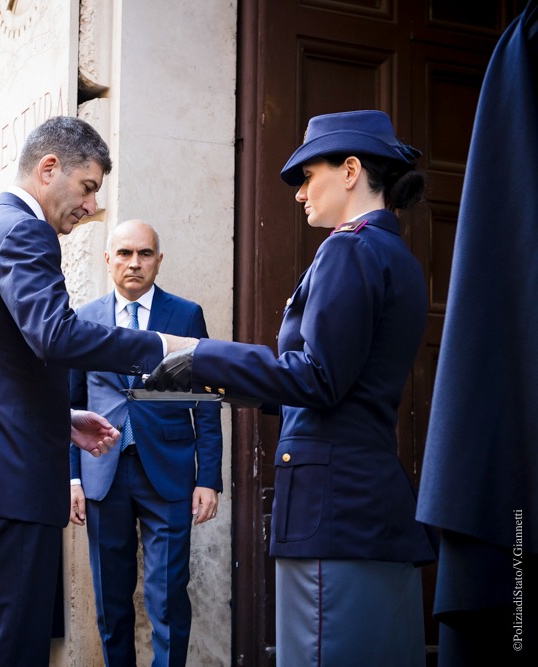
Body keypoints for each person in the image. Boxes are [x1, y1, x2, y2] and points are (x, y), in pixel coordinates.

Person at [146, 110, 436, 666]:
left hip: (332, 513)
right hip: (366, 506)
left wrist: (199, 353)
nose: (300, 193)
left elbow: (317, 378)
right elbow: (329, 382)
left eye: (309, 175)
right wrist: (215, 382)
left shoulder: (348, 249)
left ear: (350, 170)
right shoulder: (395, 255)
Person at [0, 115, 196, 665]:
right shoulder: (24, 230)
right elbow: (54, 334)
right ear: (49, 168)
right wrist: (161, 347)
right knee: (9, 652)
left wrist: (61, 418)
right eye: (88, 187)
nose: (92, 206)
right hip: (7, 477)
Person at [68, 219, 223, 666]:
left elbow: (206, 401)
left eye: (145, 254)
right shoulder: (84, 319)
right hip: (103, 473)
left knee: (169, 597)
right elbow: (71, 403)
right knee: (110, 600)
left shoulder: (186, 315)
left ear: (159, 260)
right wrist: (73, 478)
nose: (134, 263)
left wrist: (208, 478)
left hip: (170, 473)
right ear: (108, 259)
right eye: (124, 253)